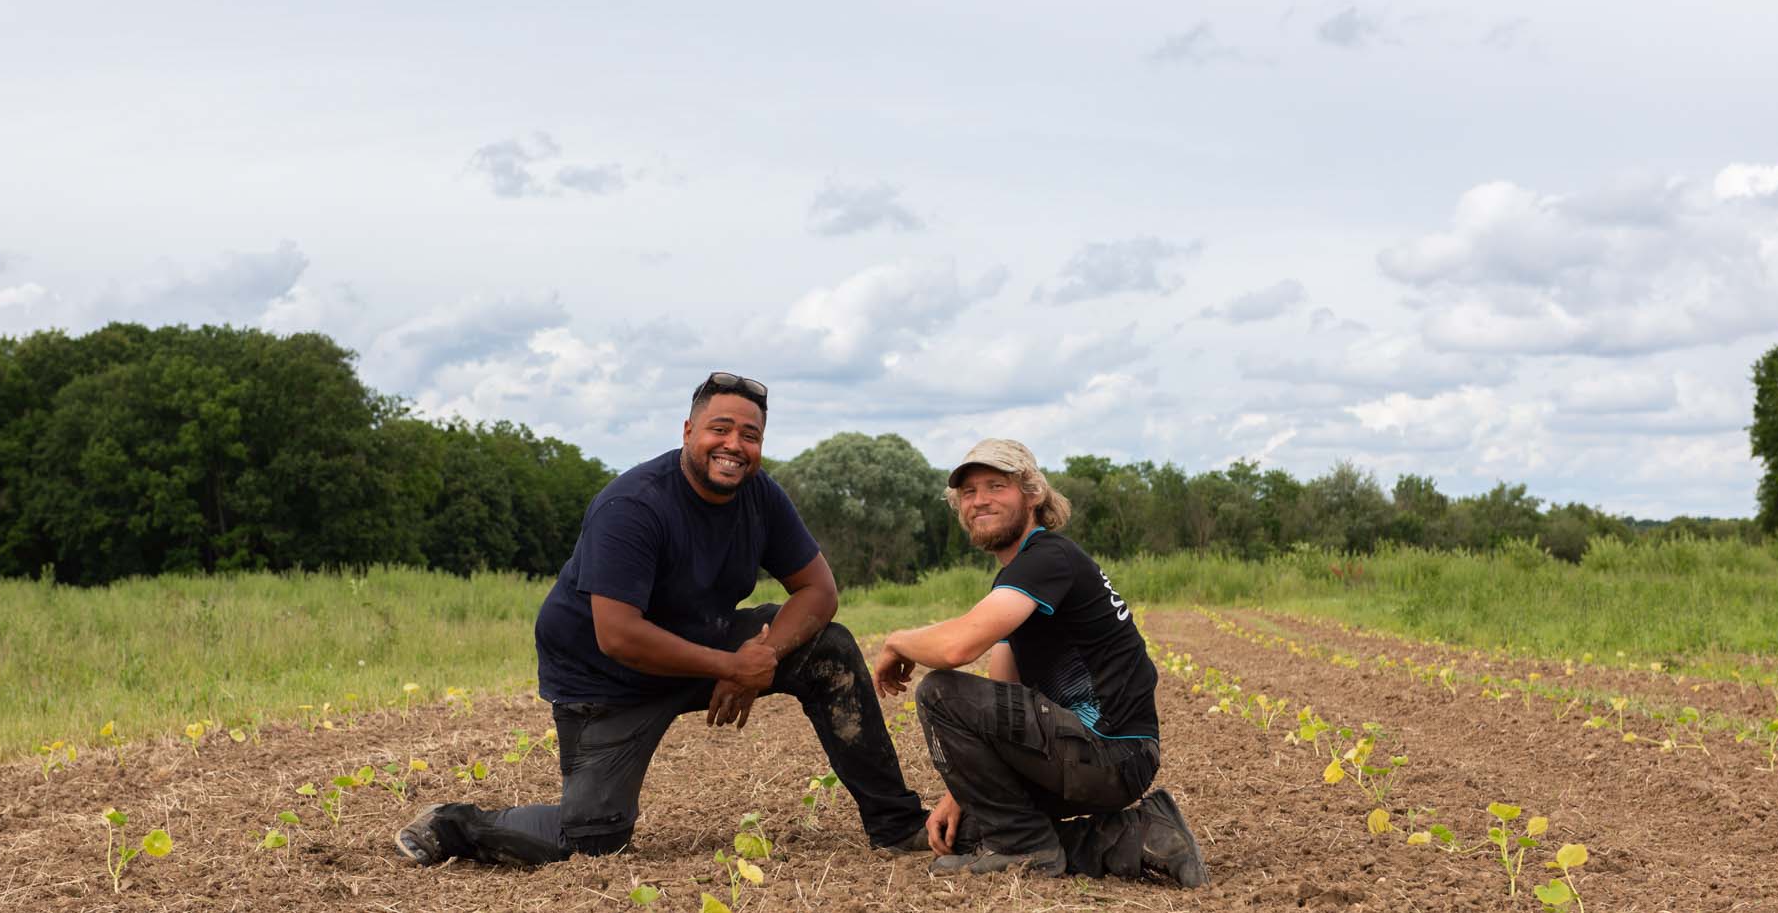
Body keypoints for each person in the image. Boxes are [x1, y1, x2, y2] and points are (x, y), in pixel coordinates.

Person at [395, 372, 931, 866]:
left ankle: (897, 824)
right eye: (719, 429)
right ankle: (456, 824)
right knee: (591, 838)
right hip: (607, 678)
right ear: (687, 431)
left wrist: (757, 660)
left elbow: (819, 591)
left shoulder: (760, 496)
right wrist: (730, 663)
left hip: (702, 646)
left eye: (750, 436)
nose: (734, 446)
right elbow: (617, 634)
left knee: (828, 649)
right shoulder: (633, 506)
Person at [872, 439, 1208, 884]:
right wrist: (964, 791)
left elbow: (958, 649)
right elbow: (1005, 692)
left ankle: (1024, 848)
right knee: (968, 830)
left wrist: (897, 640)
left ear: (1032, 494)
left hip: (1112, 751)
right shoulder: (1019, 575)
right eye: (969, 493)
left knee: (940, 691)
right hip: (1092, 753)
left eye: (997, 486)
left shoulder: (1049, 557)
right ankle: (1143, 832)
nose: (980, 501)